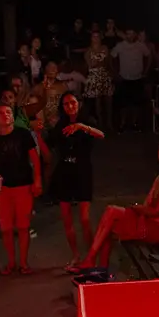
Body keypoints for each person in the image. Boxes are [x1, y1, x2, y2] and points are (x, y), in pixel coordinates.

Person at [74, 139, 159, 279]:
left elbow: (155, 211)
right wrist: (140, 216)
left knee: (111, 218)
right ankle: (98, 267)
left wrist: (136, 209)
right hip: (150, 222)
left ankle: (94, 263)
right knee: (110, 215)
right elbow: (147, 205)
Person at [43, 93, 103, 268]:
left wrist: (81, 127)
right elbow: (50, 146)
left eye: (72, 102)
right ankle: (76, 255)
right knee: (67, 218)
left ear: (79, 103)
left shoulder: (87, 120)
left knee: (84, 219)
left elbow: (101, 135)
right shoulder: (61, 124)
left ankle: (91, 256)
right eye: (66, 104)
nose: (70, 106)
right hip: (65, 170)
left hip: (83, 170)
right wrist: (38, 134)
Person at [0, 103, 42, 275]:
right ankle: (11, 262)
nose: (5, 115)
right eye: (1, 113)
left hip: (23, 185)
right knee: (6, 228)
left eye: (8, 112)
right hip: (2, 189)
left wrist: (37, 180)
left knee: (23, 226)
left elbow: (34, 159)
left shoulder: (23, 135)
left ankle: (23, 262)